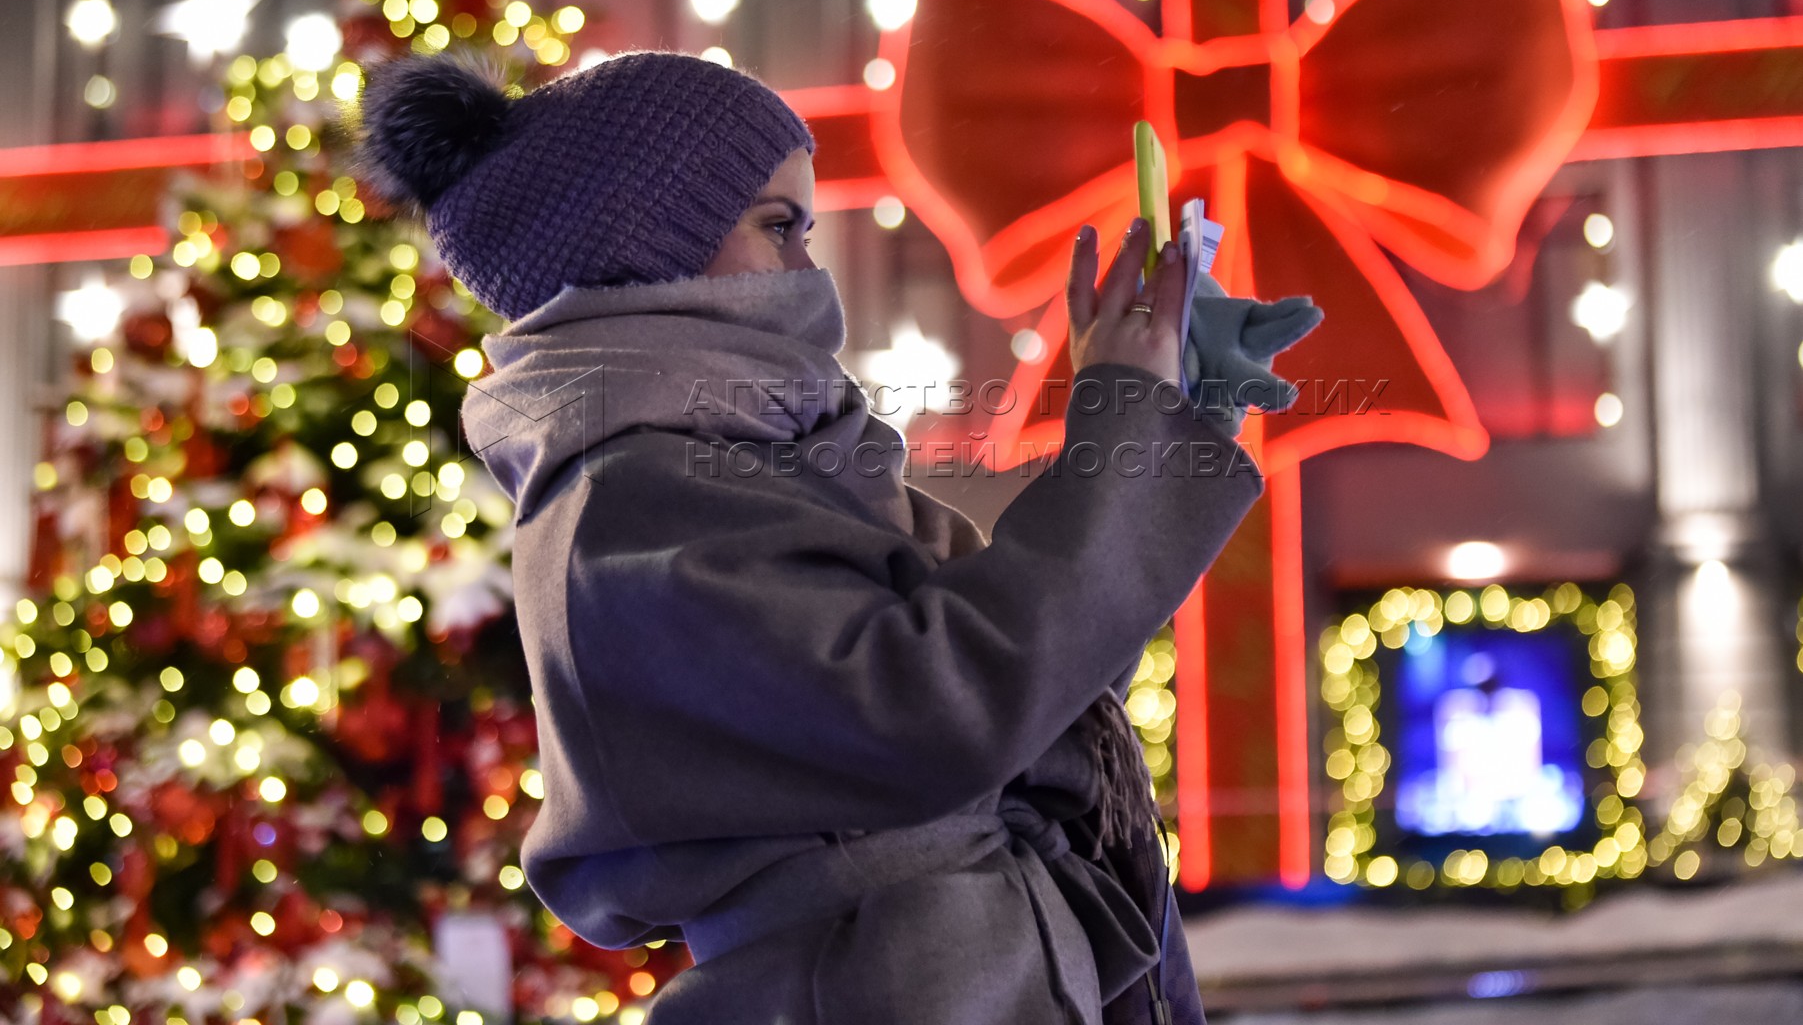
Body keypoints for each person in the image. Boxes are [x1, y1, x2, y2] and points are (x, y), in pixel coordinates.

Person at [356, 50, 1317, 1025]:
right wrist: (1127, 420)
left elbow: (1042, 681)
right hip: (886, 985)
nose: (808, 271)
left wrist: (1179, 418)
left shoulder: (761, 459)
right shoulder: (631, 494)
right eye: (779, 227)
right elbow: (948, 709)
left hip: (956, 970)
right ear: (643, 244)